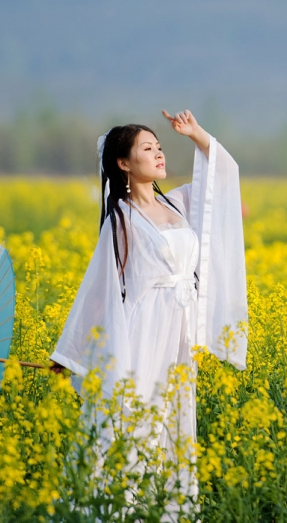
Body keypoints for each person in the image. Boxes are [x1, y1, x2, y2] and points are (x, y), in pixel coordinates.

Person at [48, 110, 248, 510]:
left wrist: (196, 134)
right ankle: (114, 511)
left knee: (170, 424)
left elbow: (222, 182)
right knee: (133, 425)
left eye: (159, 147)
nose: (159, 154)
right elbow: (99, 289)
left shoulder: (177, 205)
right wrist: (69, 355)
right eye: (147, 148)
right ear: (124, 163)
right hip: (141, 337)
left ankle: (163, 512)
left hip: (177, 337)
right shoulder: (121, 218)